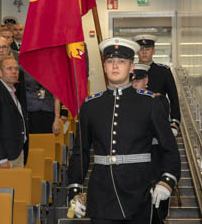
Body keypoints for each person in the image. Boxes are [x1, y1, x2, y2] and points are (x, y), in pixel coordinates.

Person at [67, 37, 180, 224]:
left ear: (131, 67)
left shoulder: (150, 103)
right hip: (102, 194)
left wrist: (167, 180)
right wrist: (74, 190)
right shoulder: (90, 105)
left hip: (139, 192)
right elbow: (81, 153)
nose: (115, 66)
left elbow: (169, 148)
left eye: (121, 61)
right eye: (110, 61)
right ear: (104, 67)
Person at [133, 34, 181, 222]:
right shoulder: (129, 71)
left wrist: (174, 123)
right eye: (141, 49)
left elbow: (174, 99)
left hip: (159, 135)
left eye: (147, 49)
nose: (144, 52)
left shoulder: (163, 71)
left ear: (153, 50)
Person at [0, 56, 29, 168]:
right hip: (2, 158)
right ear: (0, 72)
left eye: (16, 68)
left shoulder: (14, 92)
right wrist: (1, 158)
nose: (14, 71)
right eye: (9, 68)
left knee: (20, 186)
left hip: (18, 153)